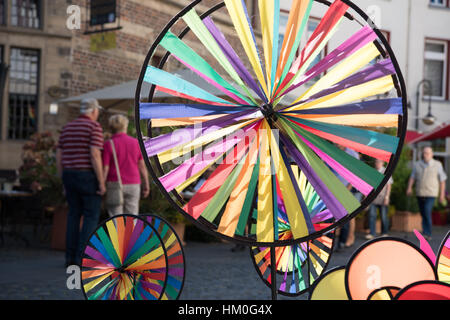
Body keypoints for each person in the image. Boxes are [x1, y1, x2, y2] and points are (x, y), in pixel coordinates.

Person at [56, 98, 105, 267]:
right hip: (87, 176)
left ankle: (69, 259)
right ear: (93, 111)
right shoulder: (94, 127)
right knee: (91, 217)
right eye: (97, 110)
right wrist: (101, 182)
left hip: (69, 175)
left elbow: (59, 157)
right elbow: (94, 154)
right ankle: (82, 258)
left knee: (73, 216)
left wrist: (63, 180)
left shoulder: (67, 128)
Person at [102, 114, 150, 216]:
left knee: (115, 216)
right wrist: (146, 183)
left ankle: (117, 233)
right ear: (125, 126)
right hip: (133, 183)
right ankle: (130, 233)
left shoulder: (108, 144)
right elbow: (142, 165)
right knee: (132, 217)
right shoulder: (136, 143)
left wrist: (101, 184)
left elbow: (105, 168)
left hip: (114, 184)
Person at [406, 146, 447, 240]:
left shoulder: (438, 164)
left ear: (432, 154)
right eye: (424, 153)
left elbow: (442, 180)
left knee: (427, 210)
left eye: (428, 153)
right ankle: (425, 231)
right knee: (423, 212)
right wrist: (409, 188)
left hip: (431, 193)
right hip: (420, 192)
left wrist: (441, 195)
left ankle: (427, 233)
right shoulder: (417, 164)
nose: (426, 155)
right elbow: (412, 177)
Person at [366, 159, 393, 239]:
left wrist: (387, 197)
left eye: (378, 162)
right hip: (373, 198)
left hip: (383, 197)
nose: (377, 163)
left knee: (384, 216)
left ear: (382, 163)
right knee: (372, 215)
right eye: (376, 162)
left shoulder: (386, 171)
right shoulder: (372, 172)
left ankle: (384, 232)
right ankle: (372, 233)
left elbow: (389, 185)